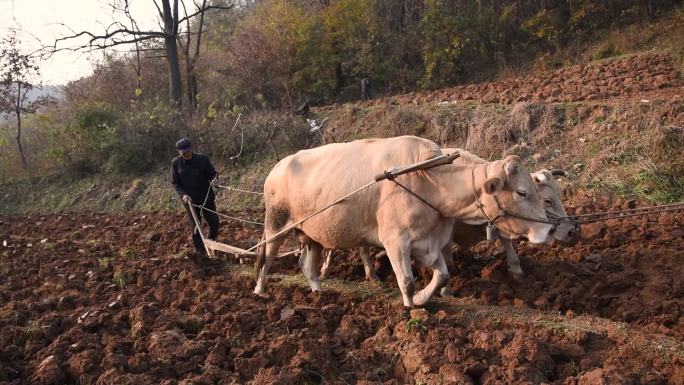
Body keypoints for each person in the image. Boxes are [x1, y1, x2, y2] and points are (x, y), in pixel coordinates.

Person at [171, 138, 220, 256]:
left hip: (206, 197)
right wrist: (183, 195)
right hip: (190, 201)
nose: (186, 155)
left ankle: (211, 241)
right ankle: (201, 252)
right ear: (179, 152)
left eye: (187, 152)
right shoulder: (176, 163)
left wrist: (215, 180)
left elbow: (212, 173)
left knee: (214, 222)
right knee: (196, 227)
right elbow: (175, 182)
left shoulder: (202, 159)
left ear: (191, 149)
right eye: (183, 153)